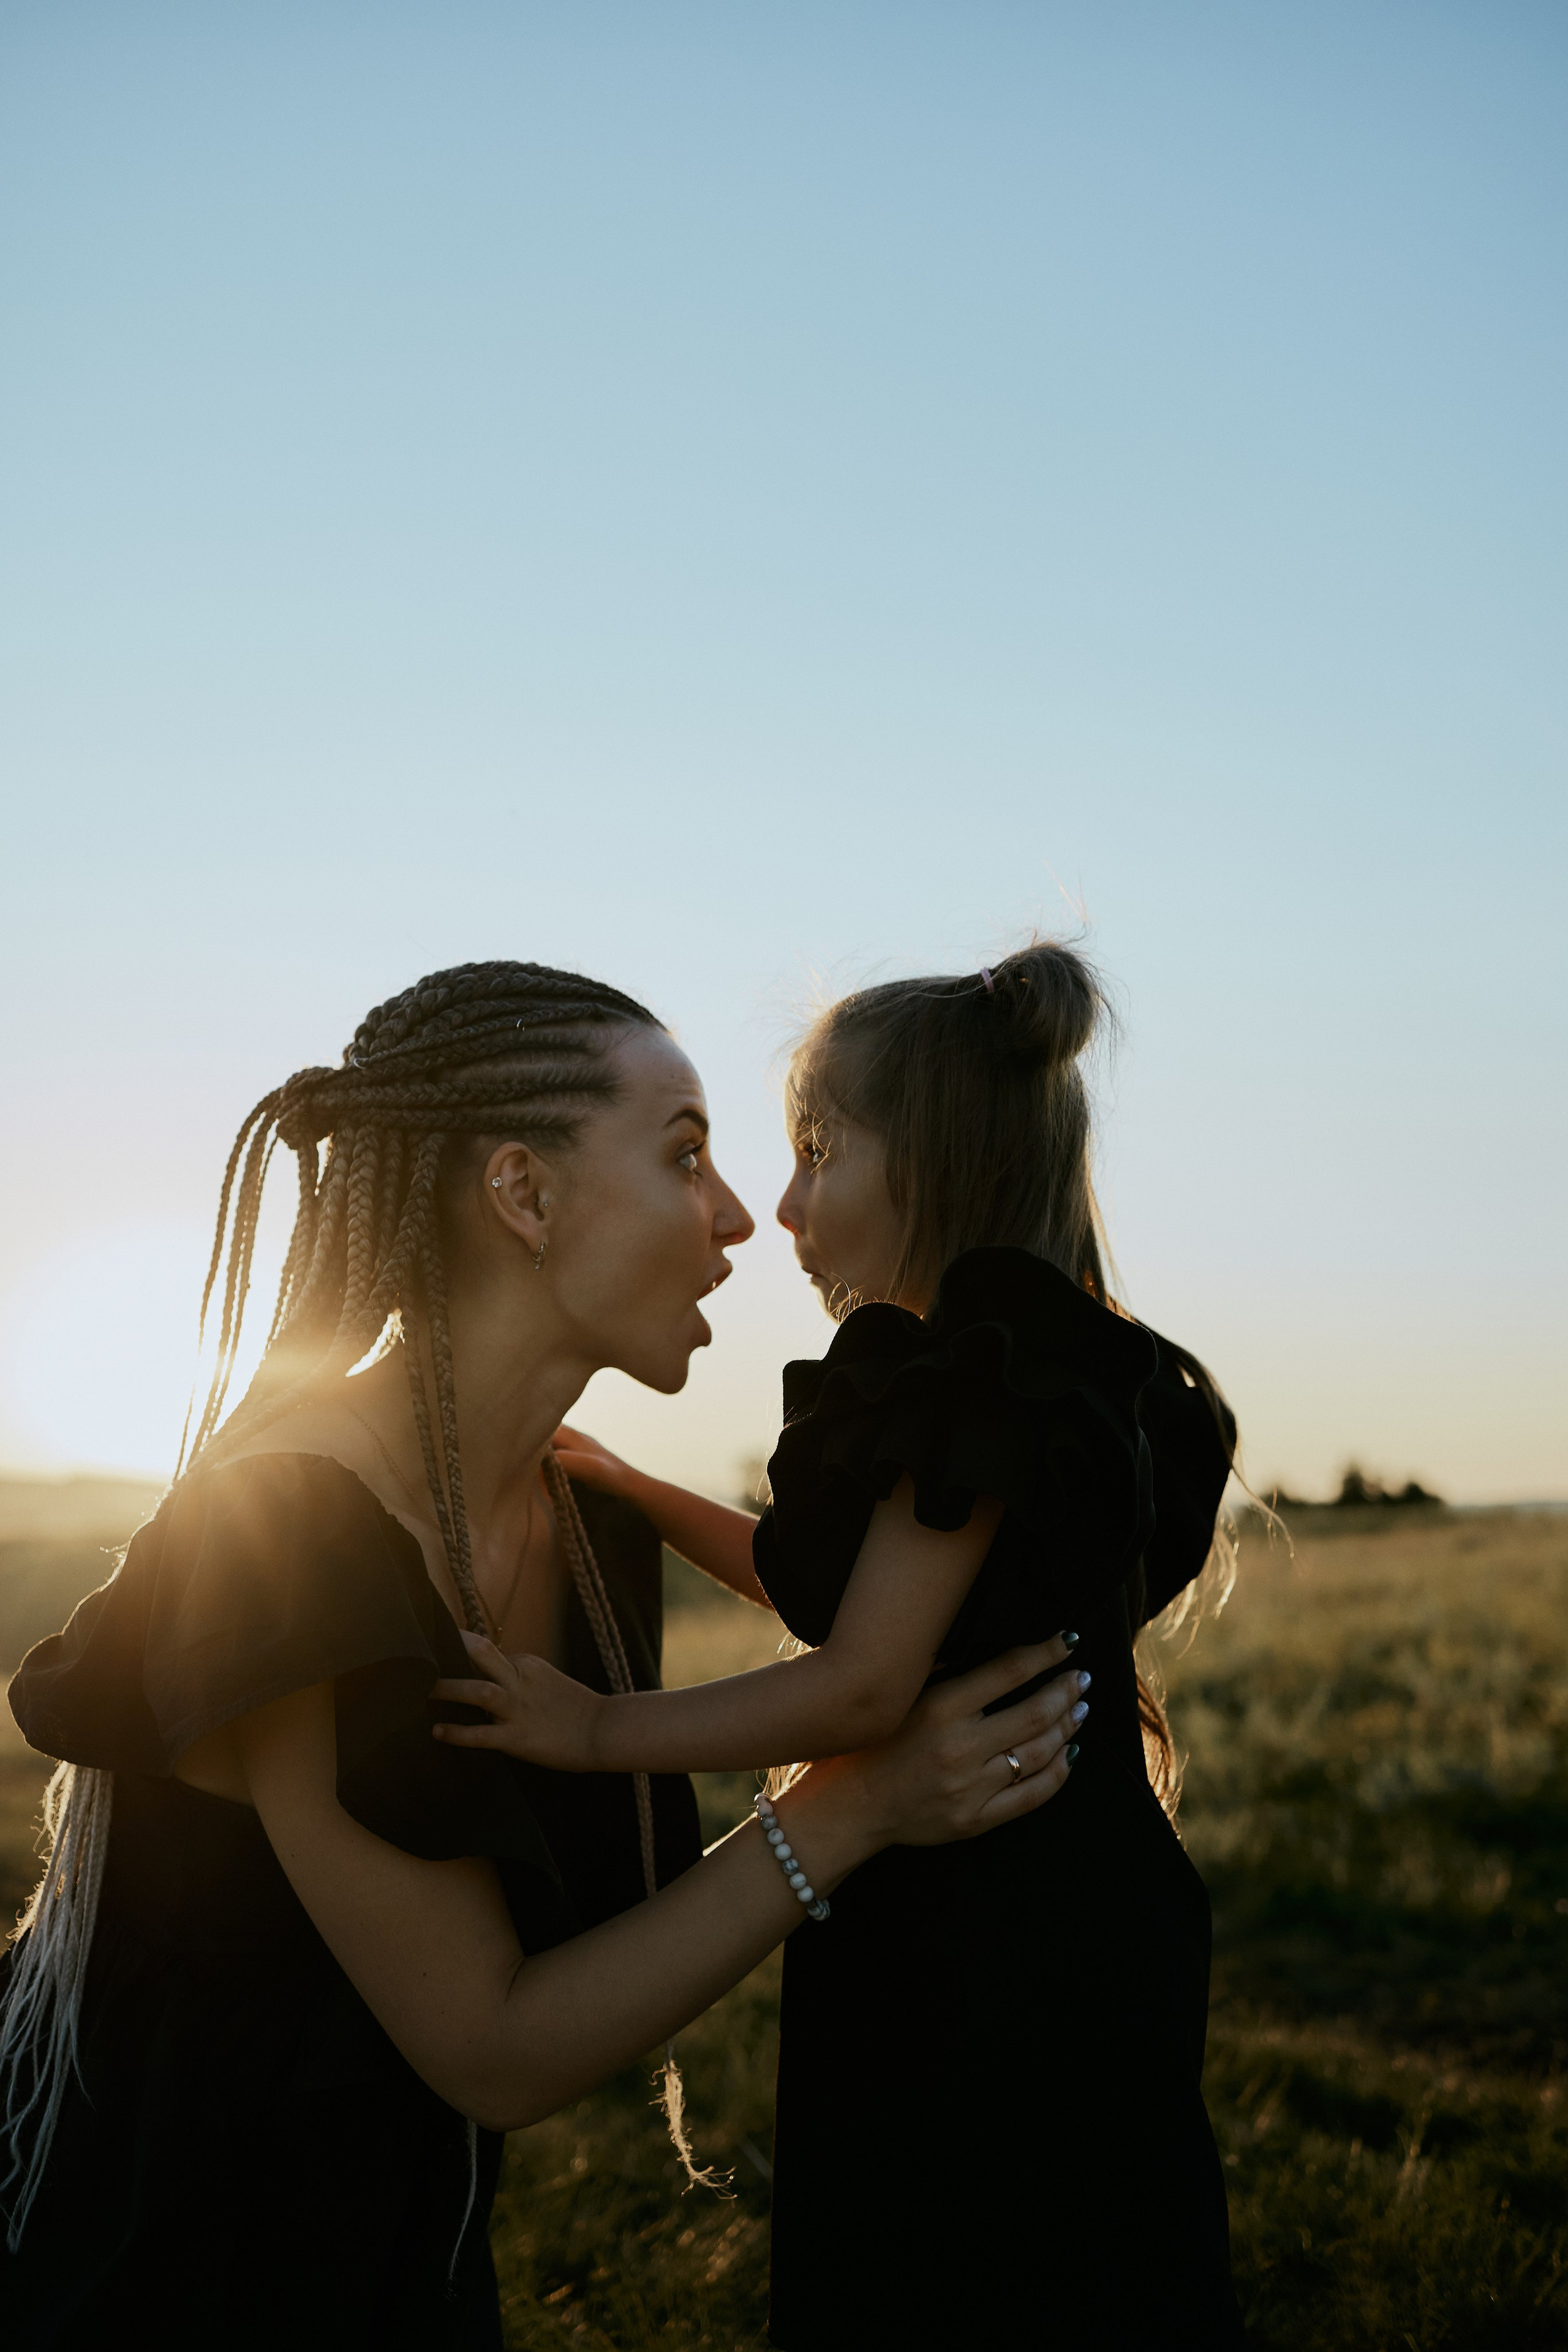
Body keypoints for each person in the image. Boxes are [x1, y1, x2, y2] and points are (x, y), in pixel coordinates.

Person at [0, 959, 1081, 2351]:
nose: (743, 1217)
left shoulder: (582, 1531)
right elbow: (494, 2045)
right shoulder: (285, 1531)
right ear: (523, 1195)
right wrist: (856, 1798)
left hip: (399, 2264)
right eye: (685, 1157)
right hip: (158, 2274)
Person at [435, 941, 1248, 2350]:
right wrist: (639, 1489)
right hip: (1060, 1902)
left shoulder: (972, 1389)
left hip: (993, 1943)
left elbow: (863, 1681)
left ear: (936, 1161)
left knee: (954, 2267)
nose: (786, 1205)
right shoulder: (1043, 1375)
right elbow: (845, 1594)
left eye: (819, 1152)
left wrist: (593, 1729)